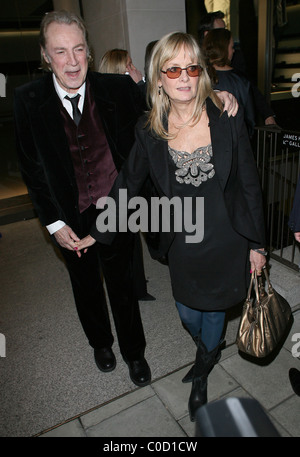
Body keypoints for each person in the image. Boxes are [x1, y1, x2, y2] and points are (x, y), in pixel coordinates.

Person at [76, 31, 266, 421]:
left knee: (214, 312)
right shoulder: (149, 130)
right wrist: (97, 230)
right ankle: (207, 348)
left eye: (192, 67)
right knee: (186, 312)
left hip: (227, 238)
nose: (184, 76)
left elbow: (249, 182)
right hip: (183, 240)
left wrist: (258, 244)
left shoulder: (226, 117)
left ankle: (203, 370)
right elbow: (127, 184)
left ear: (202, 74)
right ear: (158, 77)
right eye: (173, 68)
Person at [13, 10, 152, 387]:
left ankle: (134, 353)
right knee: (85, 284)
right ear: (45, 54)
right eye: (61, 51)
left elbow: (160, 122)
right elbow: (33, 169)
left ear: (89, 50)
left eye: (78, 49)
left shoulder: (117, 89)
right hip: (68, 216)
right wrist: (54, 223)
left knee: (123, 283)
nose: (72, 61)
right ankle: (100, 343)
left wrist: (214, 94)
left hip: (116, 207)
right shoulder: (27, 101)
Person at [198, 10, 278, 127]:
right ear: (207, 34)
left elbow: (250, 89)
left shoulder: (236, 59)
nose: (225, 34)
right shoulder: (193, 63)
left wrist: (267, 115)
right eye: (221, 31)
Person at [203, 28, 256, 137]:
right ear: (223, 49)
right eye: (232, 47)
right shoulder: (241, 81)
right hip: (235, 143)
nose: (233, 51)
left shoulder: (198, 78)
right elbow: (250, 122)